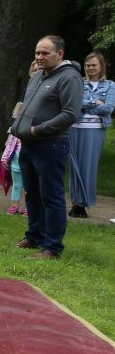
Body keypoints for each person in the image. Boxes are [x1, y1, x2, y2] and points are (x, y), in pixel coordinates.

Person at [10, 36, 82, 259]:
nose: (39, 57)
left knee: (51, 196)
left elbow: (70, 114)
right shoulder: (38, 75)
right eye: (37, 53)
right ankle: (34, 236)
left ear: (59, 54)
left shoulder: (70, 77)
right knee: (32, 194)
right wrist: (17, 124)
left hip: (51, 144)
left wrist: (37, 130)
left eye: (45, 53)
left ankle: (52, 248)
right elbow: (25, 105)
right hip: (28, 144)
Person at [68, 51, 114, 218]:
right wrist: (95, 103)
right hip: (75, 128)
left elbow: (108, 108)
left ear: (101, 66)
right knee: (75, 166)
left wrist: (85, 104)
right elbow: (73, 103)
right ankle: (75, 203)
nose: (90, 68)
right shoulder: (78, 83)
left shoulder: (110, 85)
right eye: (88, 65)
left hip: (95, 131)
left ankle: (83, 203)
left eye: (94, 65)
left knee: (89, 166)